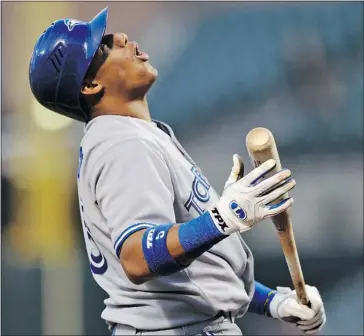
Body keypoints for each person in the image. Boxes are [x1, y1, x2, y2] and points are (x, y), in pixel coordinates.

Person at [29, 8, 326, 336]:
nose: (123, 38)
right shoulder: (122, 145)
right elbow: (138, 258)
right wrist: (222, 218)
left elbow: (193, 271)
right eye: (104, 47)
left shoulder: (138, 135)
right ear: (90, 84)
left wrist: (273, 302)